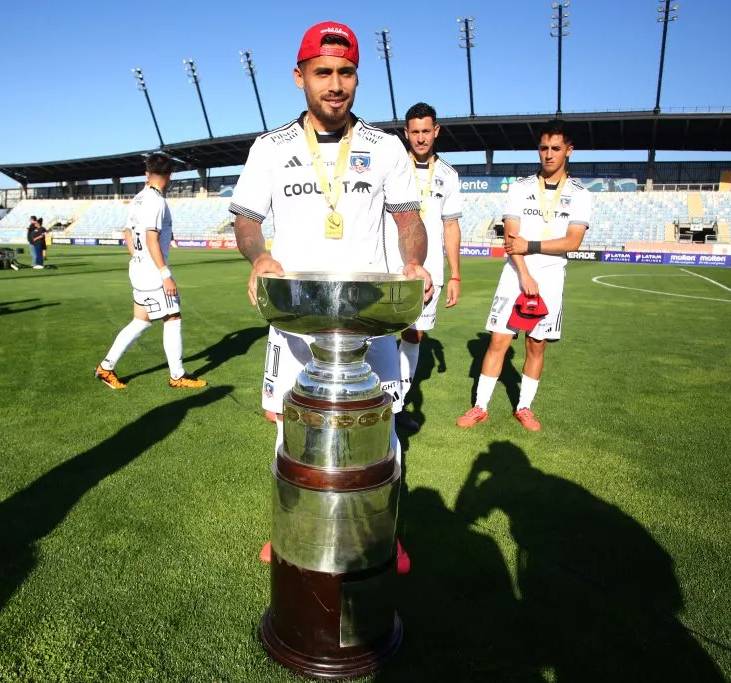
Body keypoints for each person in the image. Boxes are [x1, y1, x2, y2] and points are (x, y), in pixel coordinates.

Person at [229, 20, 431, 571]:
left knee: (384, 426)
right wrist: (260, 256)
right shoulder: (270, 148)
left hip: (369, 321)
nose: (335, 84)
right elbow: (247, 221)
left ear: (356, 78)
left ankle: (381, 532)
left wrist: (413, 261)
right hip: (297, 320)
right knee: (288, 428)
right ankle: (289, 526)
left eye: (345, 73)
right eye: (323, 73)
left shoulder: (384, 147)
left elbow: (409, 219)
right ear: (300, 78)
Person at [456, 120, 592, 431]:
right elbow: (510, 240)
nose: (548, 154)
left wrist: (529, 246)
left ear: (569, 151)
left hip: (552, 279)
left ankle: (524, 407)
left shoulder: (581, 194)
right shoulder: (519, 188)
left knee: (536, 344)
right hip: (515, 274)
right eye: (543, 148)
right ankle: (480, 406)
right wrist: (525, 273)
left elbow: (572, 241)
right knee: (499, 341)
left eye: (556, 148)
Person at [95, 152, 206, 391]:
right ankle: (177, 376)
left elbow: (127, 233)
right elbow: (151, 238)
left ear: (146, 173)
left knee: (140, 322)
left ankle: (106, 367)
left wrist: (137, 257)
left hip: (138, 268)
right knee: (173, 317)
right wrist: (165, 274)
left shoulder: (138, 199)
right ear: (170, 175)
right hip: (153, 273)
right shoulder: (155, 201)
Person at [383, 102, 463, 433]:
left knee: (414, 336)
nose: (420, 138)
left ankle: (397, 405)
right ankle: (370, 400)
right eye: (414, 132)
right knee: (379, 334)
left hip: (429, 272)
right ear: (406, 133)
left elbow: (451, 227)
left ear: (436, 131)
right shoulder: (391, 165)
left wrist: (455, 273)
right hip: (389, 265)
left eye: (425, 131)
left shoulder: (448, 175)